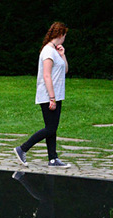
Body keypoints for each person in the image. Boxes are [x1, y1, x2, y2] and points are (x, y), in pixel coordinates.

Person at [15, 22, 70, 168]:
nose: (65, 38)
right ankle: (22, 149)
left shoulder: (55, 51)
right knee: (50, 128)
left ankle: (53, 158)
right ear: (60, 35)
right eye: (64, 35)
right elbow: (46, 75)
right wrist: (51, 98)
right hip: (48, 96)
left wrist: (63, 55)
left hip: (56, 95)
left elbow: (64, 71)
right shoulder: (47, 51)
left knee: (51, 128)